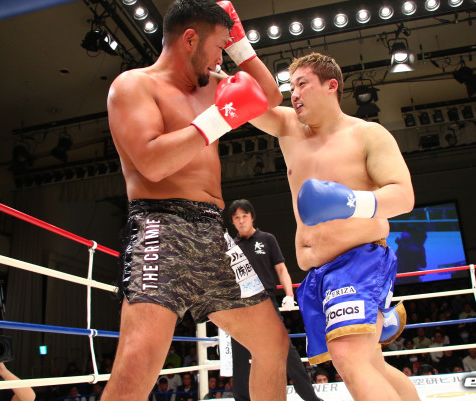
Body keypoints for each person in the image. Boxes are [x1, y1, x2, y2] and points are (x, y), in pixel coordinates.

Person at [101, 1, 289, 400]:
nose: (222, 58)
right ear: (190, 39)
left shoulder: (212, 85)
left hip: (213, 232)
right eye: (220, 46)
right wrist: (220, 117)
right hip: (160, 224)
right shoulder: (134, 86)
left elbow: (269, 97)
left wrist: (240, 46)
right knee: (138, 361)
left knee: (273, 344)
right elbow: (152, 163)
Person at [249, 52, 419, 401]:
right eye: (291, 87)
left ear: (331, 86)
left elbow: (404, 196)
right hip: (317, 273)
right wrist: (235, 49)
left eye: (302, 84)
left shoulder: (367, 134)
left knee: (348, 356)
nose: (294, 93)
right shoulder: (287, 128)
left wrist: (352, 202)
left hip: (359, 260)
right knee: (370, 362)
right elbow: (243, 101)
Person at [227, 199, 323, 401]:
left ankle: (310, 398)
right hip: (239, 303)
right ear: (233, 221)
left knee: (285, 349)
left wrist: (289, 295)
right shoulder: (231, 247)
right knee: (240, 355)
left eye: (244, 216)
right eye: (237, 218)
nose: (241, 221)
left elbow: (281, 269)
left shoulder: (267, 239)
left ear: (252, 217)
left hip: (265, 300)